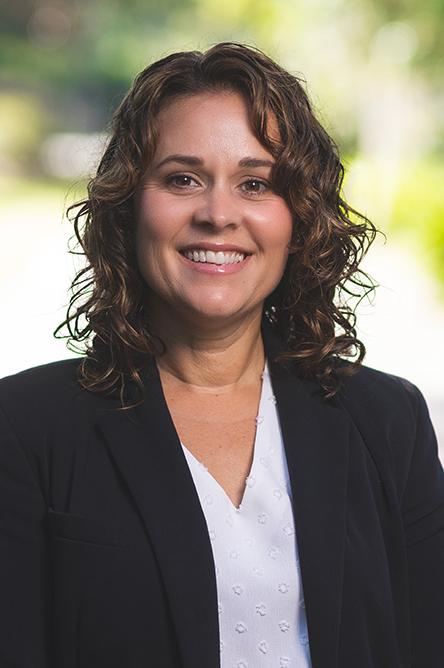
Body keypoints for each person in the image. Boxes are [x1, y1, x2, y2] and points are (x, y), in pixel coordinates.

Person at [0, 42, 443, 668]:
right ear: (129, 205)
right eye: (182, 179)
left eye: (256, 183)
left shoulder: (389, 420)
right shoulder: (23, 428)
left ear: (301, 219)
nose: (217, 214)